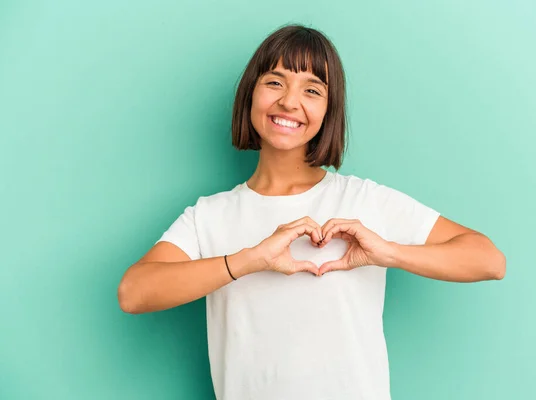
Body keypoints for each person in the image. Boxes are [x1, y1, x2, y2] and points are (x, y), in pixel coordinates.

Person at [117, 24, 506, 400]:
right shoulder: (210, 215)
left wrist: (387, 252)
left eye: (312, 90)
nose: (289, 101)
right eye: (274, 82)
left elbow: (488, 260)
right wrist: (250, 259)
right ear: (249, 95)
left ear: (328, 110)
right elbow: (134, 292)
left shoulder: (365, 200)